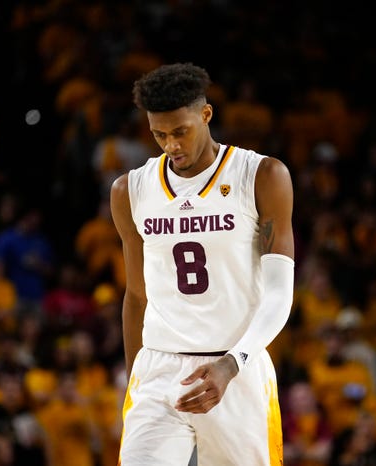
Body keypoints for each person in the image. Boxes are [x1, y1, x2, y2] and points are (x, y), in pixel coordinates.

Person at [110, 62, 295, 465]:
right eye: (159, 135)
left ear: (206, 115)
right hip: (159, 367)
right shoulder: (130, 190)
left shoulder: (261, 175)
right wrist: (135, 382)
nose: (171, 145)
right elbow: (136, 296)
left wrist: (232, 364)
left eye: (181, 131)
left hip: (237, 365)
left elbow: (280, 293)